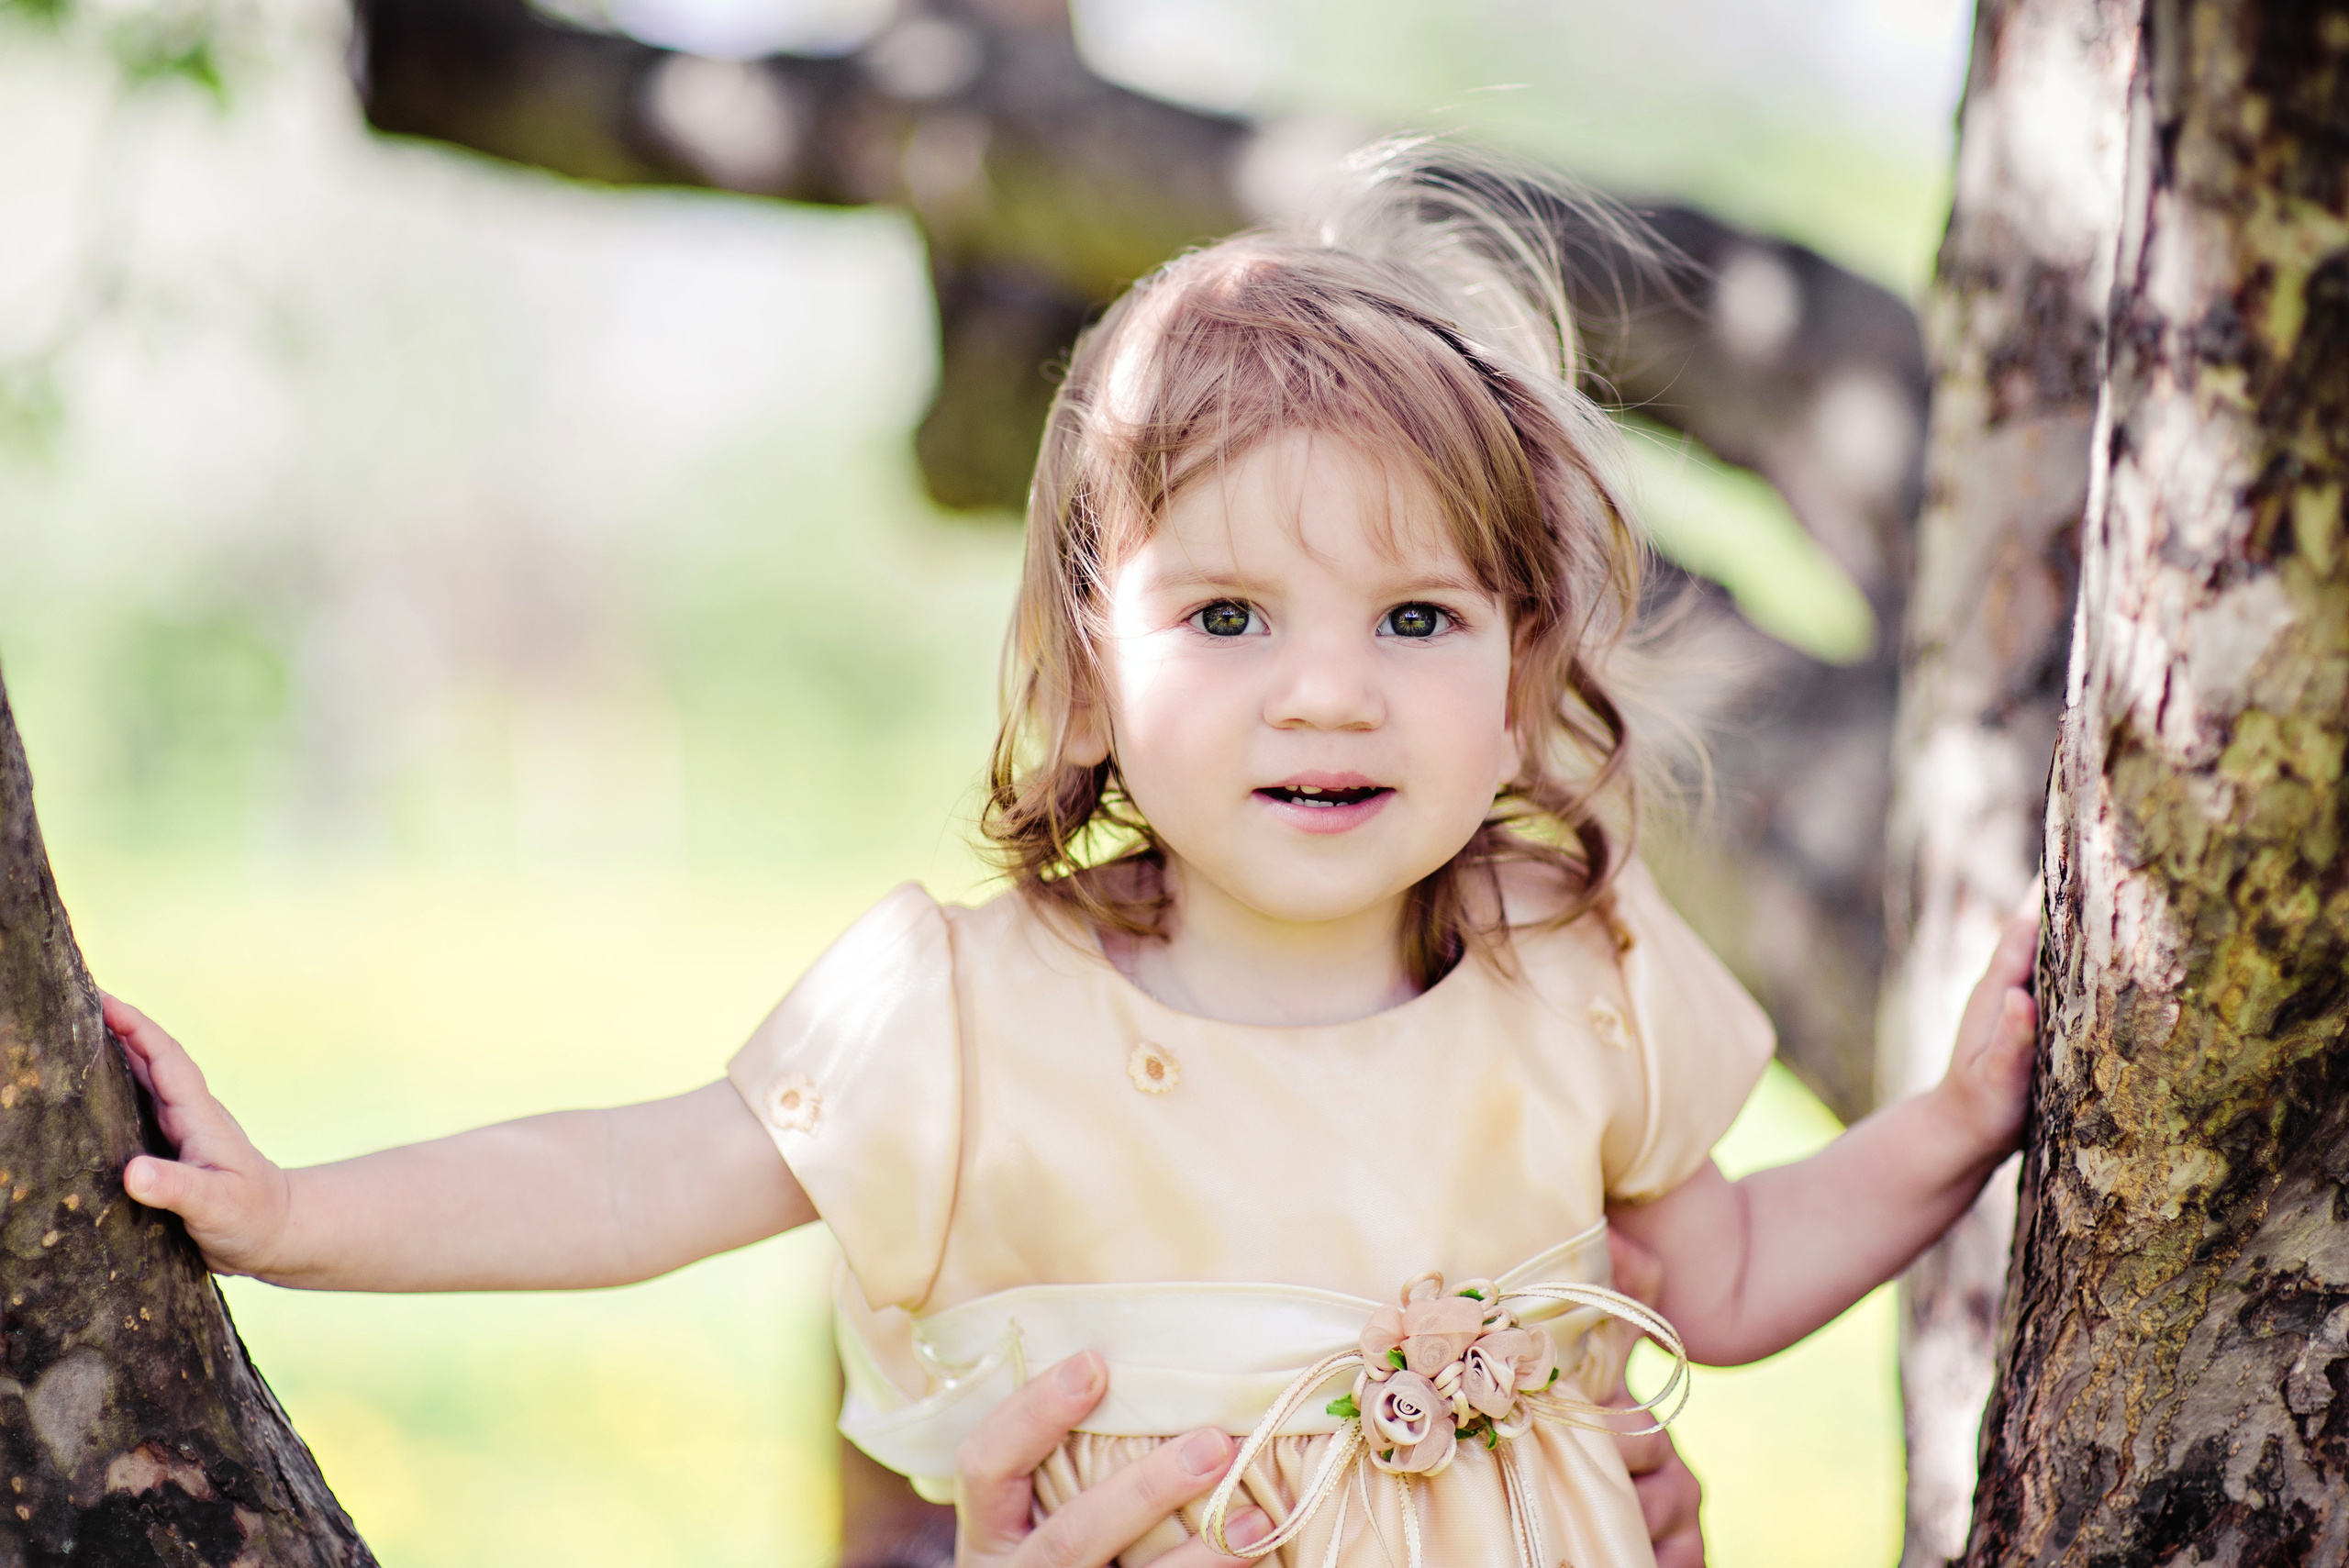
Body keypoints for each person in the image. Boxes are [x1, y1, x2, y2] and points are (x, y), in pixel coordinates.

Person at [110, 145, 2039, 1568]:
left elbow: (1721, 1267)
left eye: (1413, 621)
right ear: (1083, 673)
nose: (1324, 698)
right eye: (1225, 619)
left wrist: (1948, 1125)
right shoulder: (956, 1016)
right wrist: (296, 1218)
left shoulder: (1570, 969)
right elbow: (625, 1180)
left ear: (1526, 667)